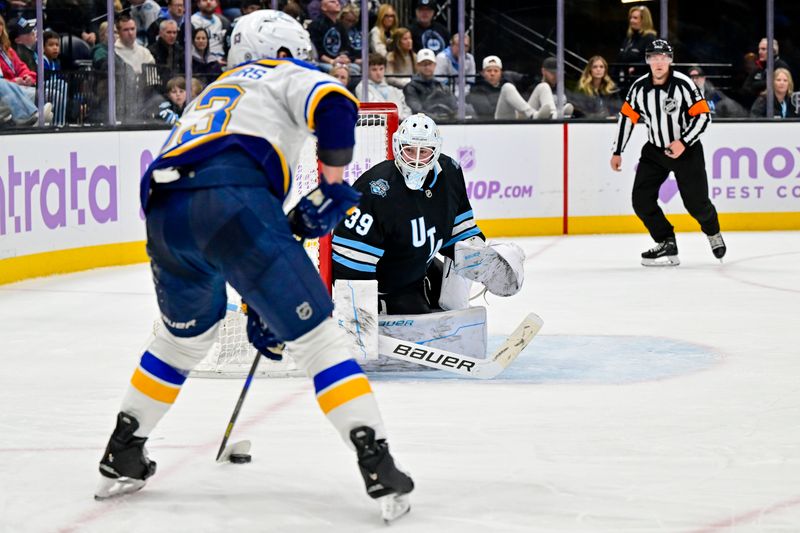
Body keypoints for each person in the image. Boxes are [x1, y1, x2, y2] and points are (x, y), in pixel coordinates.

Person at [93, 10, 414, 522]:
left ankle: (122, 451)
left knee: (181, 341)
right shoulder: (283, 72)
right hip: (231, 197)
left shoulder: (211, 94)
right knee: (317, 340)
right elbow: (335, 107)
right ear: (284, 50)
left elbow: (212, 211)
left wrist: (259, 298)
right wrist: (332, 186)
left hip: (164, 213)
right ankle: (376, 461)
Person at [332, 113, 524, 315]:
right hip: (387, 286)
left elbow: (459, 232)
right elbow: (350, 264)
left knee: (451, 295)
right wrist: (362, 317)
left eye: (423, 151)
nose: (415, 159)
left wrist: (482, 261)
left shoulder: (450, 174)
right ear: (398, 147)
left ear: (435, 150)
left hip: (418, 269)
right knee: (417, 313)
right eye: (409, 150)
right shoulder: (374, 190)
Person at [610, 39, 725, 266]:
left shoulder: (684, 84)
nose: (659, 61)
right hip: (655, 152)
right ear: (648, 60)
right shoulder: (639, 88)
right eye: (654, 57)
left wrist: (683, 141)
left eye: (663, 57)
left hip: (687, 151)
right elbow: (627, 119)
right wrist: (617, 150)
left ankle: (713, 232)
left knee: (696, 205)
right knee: (641, 201)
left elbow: (703, 117)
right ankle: (666, 242)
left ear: (671, 60)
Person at [467, 55, 535, 120]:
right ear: (483, 73)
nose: (492, 74)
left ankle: (538, 115)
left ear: (501, 73)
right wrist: (514, 106)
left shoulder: (506, 81)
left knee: (542, 87)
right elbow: (487, 113)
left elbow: (528, 82)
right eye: (489, 71)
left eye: (496, 71)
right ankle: (532, 114)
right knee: (507, 87)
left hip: (519, 115)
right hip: (497, 122)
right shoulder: (476, 89)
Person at [403, 48, 456, 119]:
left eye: (430, 64)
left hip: (446, 123)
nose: (427, 67)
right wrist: (435, 118)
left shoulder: (442, 87)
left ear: (434, 65)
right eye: (424, 64)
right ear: (418, 66)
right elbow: (416, 110)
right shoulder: (411, 88)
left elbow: (454, 107)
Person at [354, 53, 412, 119]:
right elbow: (373, 109)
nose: (378, 73)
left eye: (381, 69)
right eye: (374, 70)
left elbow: (407, 111)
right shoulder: (362, 88)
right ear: (367, 71)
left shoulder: (395, 90)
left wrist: (401, 120)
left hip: (399, 126)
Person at [615, 5, 656, 95]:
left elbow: (652, 60)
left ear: (644, 20)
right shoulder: (629, 38)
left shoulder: (650, 38)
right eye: (631, 18)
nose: (631, 21)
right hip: (624, 85)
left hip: (642, 86)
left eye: (635, 18)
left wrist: (636, 67)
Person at [741, 38, 793, 108]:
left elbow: (780, 89)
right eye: (759, 49)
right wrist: (764, 84)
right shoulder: (759, 68)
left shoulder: (781, 66)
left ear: (773, 51)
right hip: (754, 107)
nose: (759, 52)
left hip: (774, 109)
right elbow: (745, 88)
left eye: (763, 49)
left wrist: (755, 85)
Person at [308, 0, 355, 74]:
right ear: (324, 8)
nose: (337, 3)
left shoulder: (340, 25)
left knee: (356, 68)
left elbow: (345, 46)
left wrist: (343, 57)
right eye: (332, 2)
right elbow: (316, 50)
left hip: (338, 60)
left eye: (337, 1)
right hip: (322, 62)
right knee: (337, 70)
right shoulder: (315, 25)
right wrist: (331, 61)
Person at [434, 33, 475, 97]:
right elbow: (440, 83)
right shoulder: (441, 58)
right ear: (451, 45)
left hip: (465, 95)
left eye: (466, 46)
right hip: (445, 95)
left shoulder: (470, 58)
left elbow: (471, 81)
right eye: (459, 45)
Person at [191, 0, 231, 65]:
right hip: (205, 62)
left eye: (212, 0)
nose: (208, 2)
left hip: (222, 58)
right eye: (204, 0)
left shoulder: (219, 20)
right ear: (198, 3)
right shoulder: (193, 21)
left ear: (217, 3)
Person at [148, 20, 184, 85]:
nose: (172, 35)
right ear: (160, 33)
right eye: (169, 32)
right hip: (158, 86)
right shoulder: (151, 51)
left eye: (174, 32)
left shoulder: (180, 50)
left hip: (178, 86)